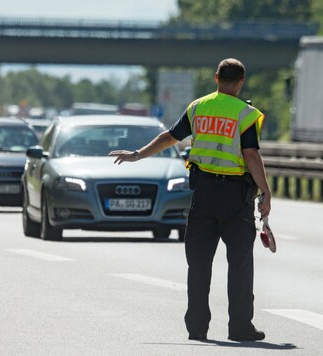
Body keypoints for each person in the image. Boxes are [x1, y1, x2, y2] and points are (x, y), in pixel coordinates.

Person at [109, 58, 271, 342]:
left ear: (216, 78)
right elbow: (250, 155)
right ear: (241, 81)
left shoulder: (198, 107)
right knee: (240, 264)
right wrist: (265, 191)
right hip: (235, 197)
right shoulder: (245, 114)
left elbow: (169, 137)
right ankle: (240, 328)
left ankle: (197, 328)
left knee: (198, 264)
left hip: (203, 194)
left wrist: (136, 155)